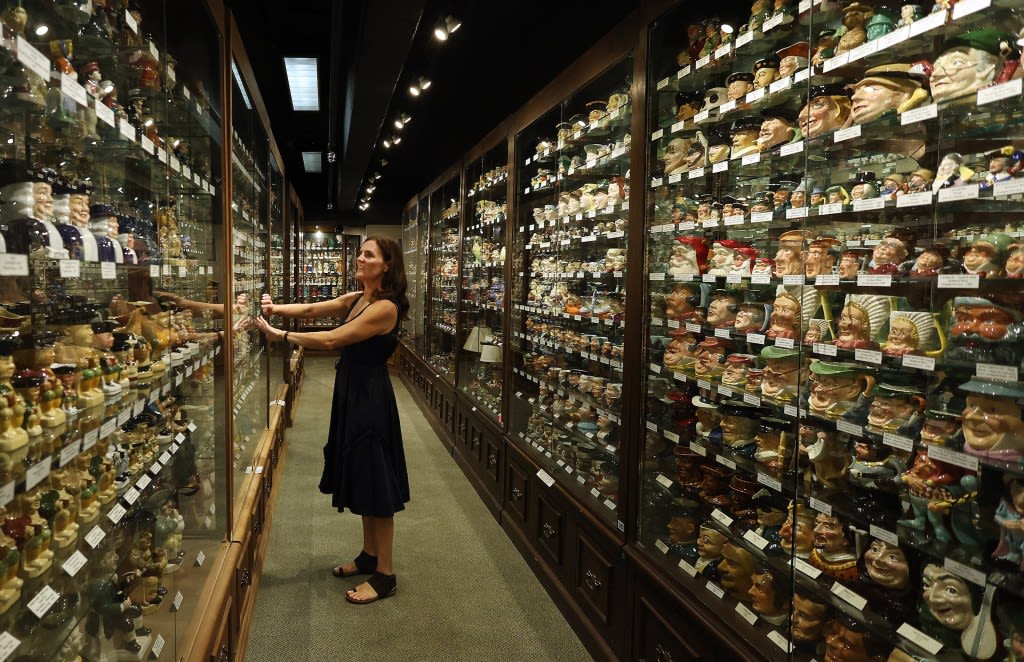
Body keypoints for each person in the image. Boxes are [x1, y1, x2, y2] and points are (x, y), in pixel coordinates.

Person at [254, 236, 410, 605]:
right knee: (362, 474)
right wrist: (276, 310)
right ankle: (369, 555)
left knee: (377, 483)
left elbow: (332, 340)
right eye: (361, 252)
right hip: (352, 394)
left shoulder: (384, 308)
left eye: (368, 255)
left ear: (386, 265)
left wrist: (280, 335)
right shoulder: (358, 299)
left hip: (370, 399)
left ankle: (385, 574)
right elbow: (312, 310)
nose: (360, 258)